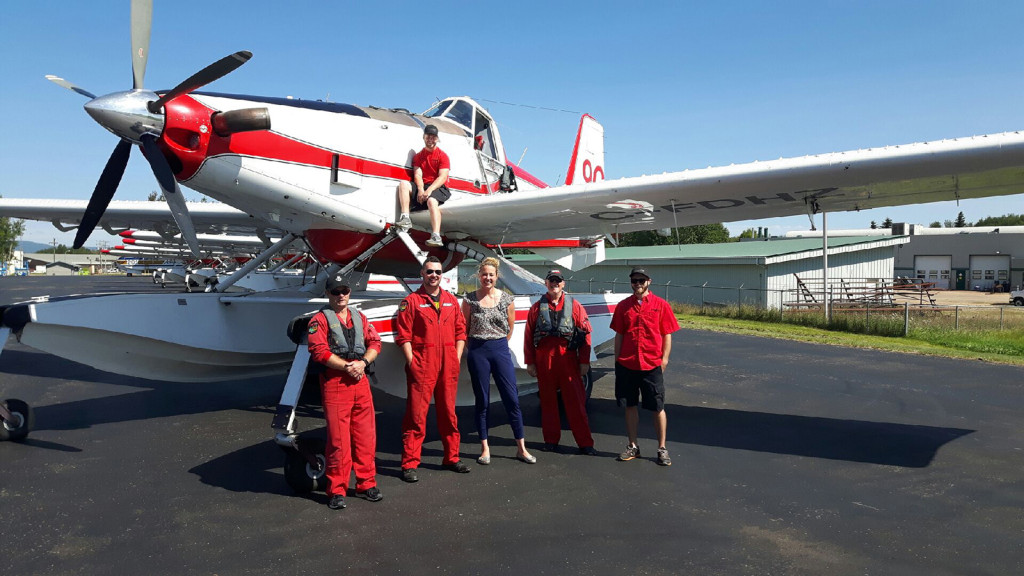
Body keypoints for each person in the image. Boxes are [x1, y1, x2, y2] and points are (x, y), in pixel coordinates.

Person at [306, 275, 383, 509]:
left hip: (360, 380)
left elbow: (375, 343)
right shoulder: (319, 320)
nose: (341, 295)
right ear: (328, 294)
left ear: (350, 292)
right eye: (336, 291)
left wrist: (363, 363)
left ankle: (366, 483)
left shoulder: (360, 317)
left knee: (366, 437)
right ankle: (336, 490)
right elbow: (318, 351)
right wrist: (348, 366)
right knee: (339, 441)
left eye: (344, 290)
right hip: (336, 383)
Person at [396, 256, 468, 482]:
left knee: (448, 413)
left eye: (437, 272)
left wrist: (455, 358)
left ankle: (452, 458)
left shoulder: (451, 300)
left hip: (448, 365)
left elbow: (460, 332)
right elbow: (403, 335)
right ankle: (409, 463)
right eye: (429, 272)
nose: (434, 275)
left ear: (442, 274)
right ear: (422, 274)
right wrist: (412, 361)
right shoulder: (411, 301)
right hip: (423, 364)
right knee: (416, 416)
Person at [461, 257, 536, 465]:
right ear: (479, 276)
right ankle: (485, 448)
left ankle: (521, 447)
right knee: (482, 400)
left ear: (496, 277)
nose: (487, 278)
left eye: (491, 275)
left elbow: (510, 328)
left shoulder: (506, 299)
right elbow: (463, 328)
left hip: (500, 349)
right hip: (478, 351)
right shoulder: (469, 300)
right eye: (484, 274)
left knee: (511, 398)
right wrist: (476, 347)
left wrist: (498, 344)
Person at [610, 267, 680, 466]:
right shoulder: (623, 306)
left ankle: (662, 448)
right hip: (628, 363)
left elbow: (667, 333)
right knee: (630, 405)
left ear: (649, 281)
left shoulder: (661, 305)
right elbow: (619, 334)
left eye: (641, 280)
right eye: (634, 281)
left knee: (657, 407)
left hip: (651, 364)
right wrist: (617, 360)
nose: (637, 284)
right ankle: (633, 446)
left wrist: (664, 360)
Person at [524, 269, 598, 455]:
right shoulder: (536, 308)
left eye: (558, 281)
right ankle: (550, 440)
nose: (554, 284)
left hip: (568, 359)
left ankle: (585, 443)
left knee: (576, 402)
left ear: (563, 284)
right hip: (544, 360)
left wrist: (584, 361)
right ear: (546, 283)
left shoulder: (575, 306)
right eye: (551, 280)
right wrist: (530, 362)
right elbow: (528, 336)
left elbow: (585, 334)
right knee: (548, 403)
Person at [396, 124, 451, 248]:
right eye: (428, 137)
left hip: (438, 187)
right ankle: (405, 218)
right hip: (424, 186)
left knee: (432, 201)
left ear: (437, 139)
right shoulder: (418, 156)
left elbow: (442, 177)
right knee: (403, 184)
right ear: (424, 137)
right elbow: (418, 175)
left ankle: (436, 235)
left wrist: (429, 190)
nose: (430, 139)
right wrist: (421, 190)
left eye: (433, 137)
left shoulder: (443, 156)